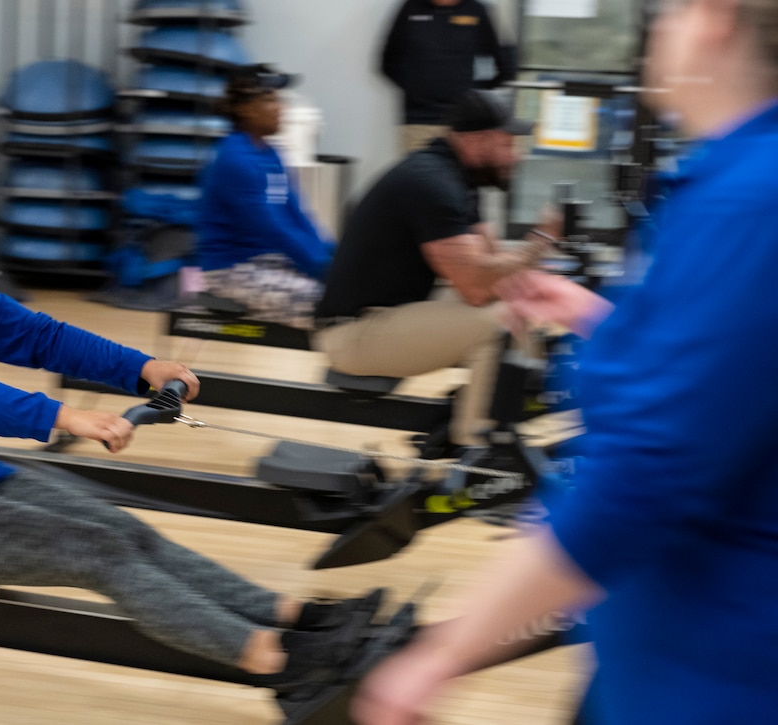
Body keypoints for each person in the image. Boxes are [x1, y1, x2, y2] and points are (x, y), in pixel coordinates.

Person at [0, 137, 383, 684]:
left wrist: (142, 369)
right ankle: (278, 663)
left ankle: (293, 616)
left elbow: (41, 336)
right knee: (98, 552)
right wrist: (64, 417)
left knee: (122, 530)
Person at [352, 0, 778, 722]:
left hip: (711, 673)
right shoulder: (734, 180)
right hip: (659, 643)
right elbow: (722, 373)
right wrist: (587, 312)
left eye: (665, 13)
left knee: (490, 322)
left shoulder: (750, 196)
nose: (652, 31)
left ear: (712, 18)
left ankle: (470, 446)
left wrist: (445, 652)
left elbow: (647, 469)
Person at [315, 89, 553, 450]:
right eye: (508, 144)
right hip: (353, 334)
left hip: (387, 316)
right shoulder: (431, 182)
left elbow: (493, 272)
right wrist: (539, 244)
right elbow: (475, 285)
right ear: (477, 141)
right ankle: (479, 460)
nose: (516, 157)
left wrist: (530, 265)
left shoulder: (461, 179)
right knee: (504, 324)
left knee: (515, 311)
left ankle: (472, 425)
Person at [197, 64, 335, 330]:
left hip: (267, 260)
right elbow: (274, 230)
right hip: (230, 271)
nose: (281, 107)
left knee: (348, 291)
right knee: (329, 304)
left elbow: (297, 215)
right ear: (246, 109)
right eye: (270, 99)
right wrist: (324, 269)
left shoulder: (271, 154)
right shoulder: (234, 159)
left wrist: (335, 256)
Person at [380, 0, 514, 153]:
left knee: (459, 177)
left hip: (463, 128)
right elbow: (388, 63)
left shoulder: (476, 10)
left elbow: (505, 67)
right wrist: (416, 90)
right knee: (419, 174)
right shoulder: (410, 8)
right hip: (418, 123)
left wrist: (472, 96)